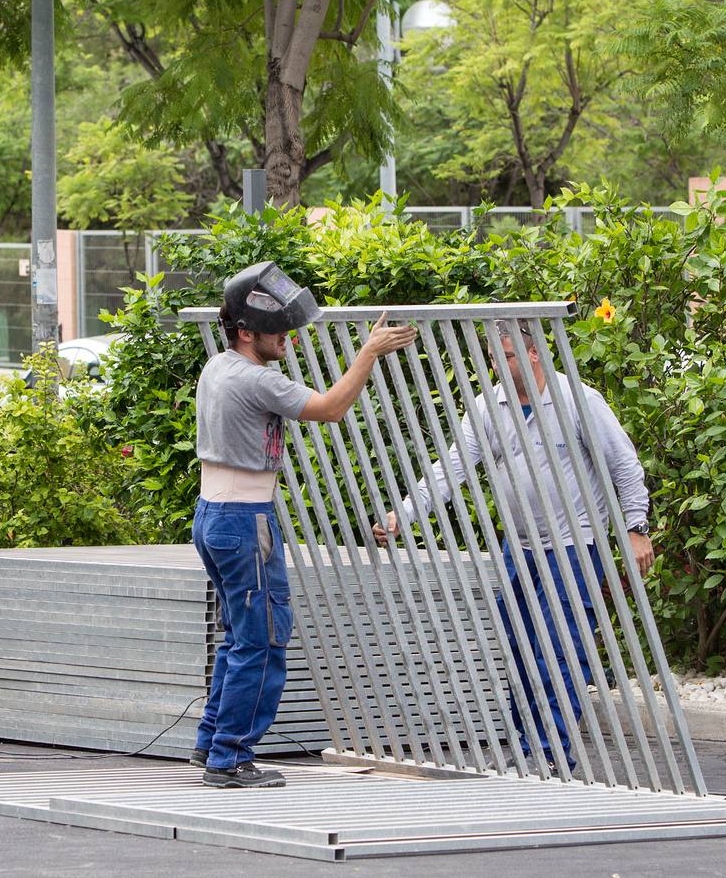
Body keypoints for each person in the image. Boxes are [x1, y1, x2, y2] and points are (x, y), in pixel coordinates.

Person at [372, 322, 653, 770]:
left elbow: (624, 464)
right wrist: (402, 515)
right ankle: (527, 747)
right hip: (519, 547)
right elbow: (451, 467)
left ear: (533, 355)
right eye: (491, 357)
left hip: (574, 544)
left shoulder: (577, 400)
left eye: (503, 356)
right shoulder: (489, 406)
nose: (494, 366)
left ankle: (552, 753)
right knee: (520, 649)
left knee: (560, 649)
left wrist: (636, 528)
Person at [192, 261, 416, 789]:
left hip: (215, 514)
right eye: (277, 330)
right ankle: (230, 757)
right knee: (263, 641)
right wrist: (368, 353)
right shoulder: (254, 379)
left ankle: (211, 743)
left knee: (238, 638)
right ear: (246, 331)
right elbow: (331, 408)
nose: (287, 338)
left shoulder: (217, 367)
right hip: (245, 521)